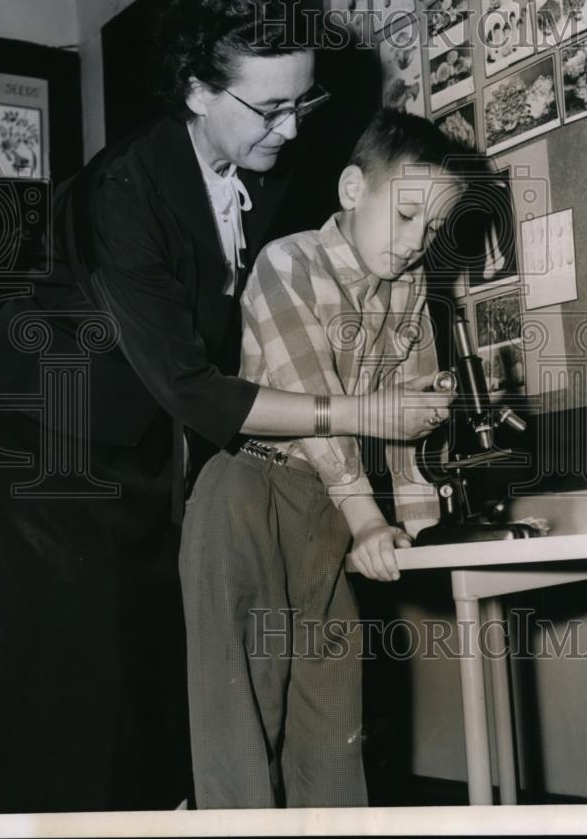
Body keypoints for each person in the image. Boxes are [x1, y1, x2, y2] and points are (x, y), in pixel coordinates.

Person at [0, 0, 452, 814]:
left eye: (301, 100)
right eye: (267, 108)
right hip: (56, 463)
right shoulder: (126, 189)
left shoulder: (261, 166)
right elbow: (192, 386)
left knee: (167, 699)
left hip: (151, 455)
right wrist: (355, 415)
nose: (292, 125)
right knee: (84, 709)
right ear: (198, 90)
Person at [179, 108, 468, 809]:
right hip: (251, 495)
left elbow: (408, 425)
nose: (413, 243)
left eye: (432, 228)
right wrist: (368, 521)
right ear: (350, 191)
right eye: (403, 216)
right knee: (244, 723)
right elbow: (315, 407)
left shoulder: (409, 292)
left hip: (328, 518)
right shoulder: (289, 262)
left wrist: (421, 522)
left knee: (332, 721)